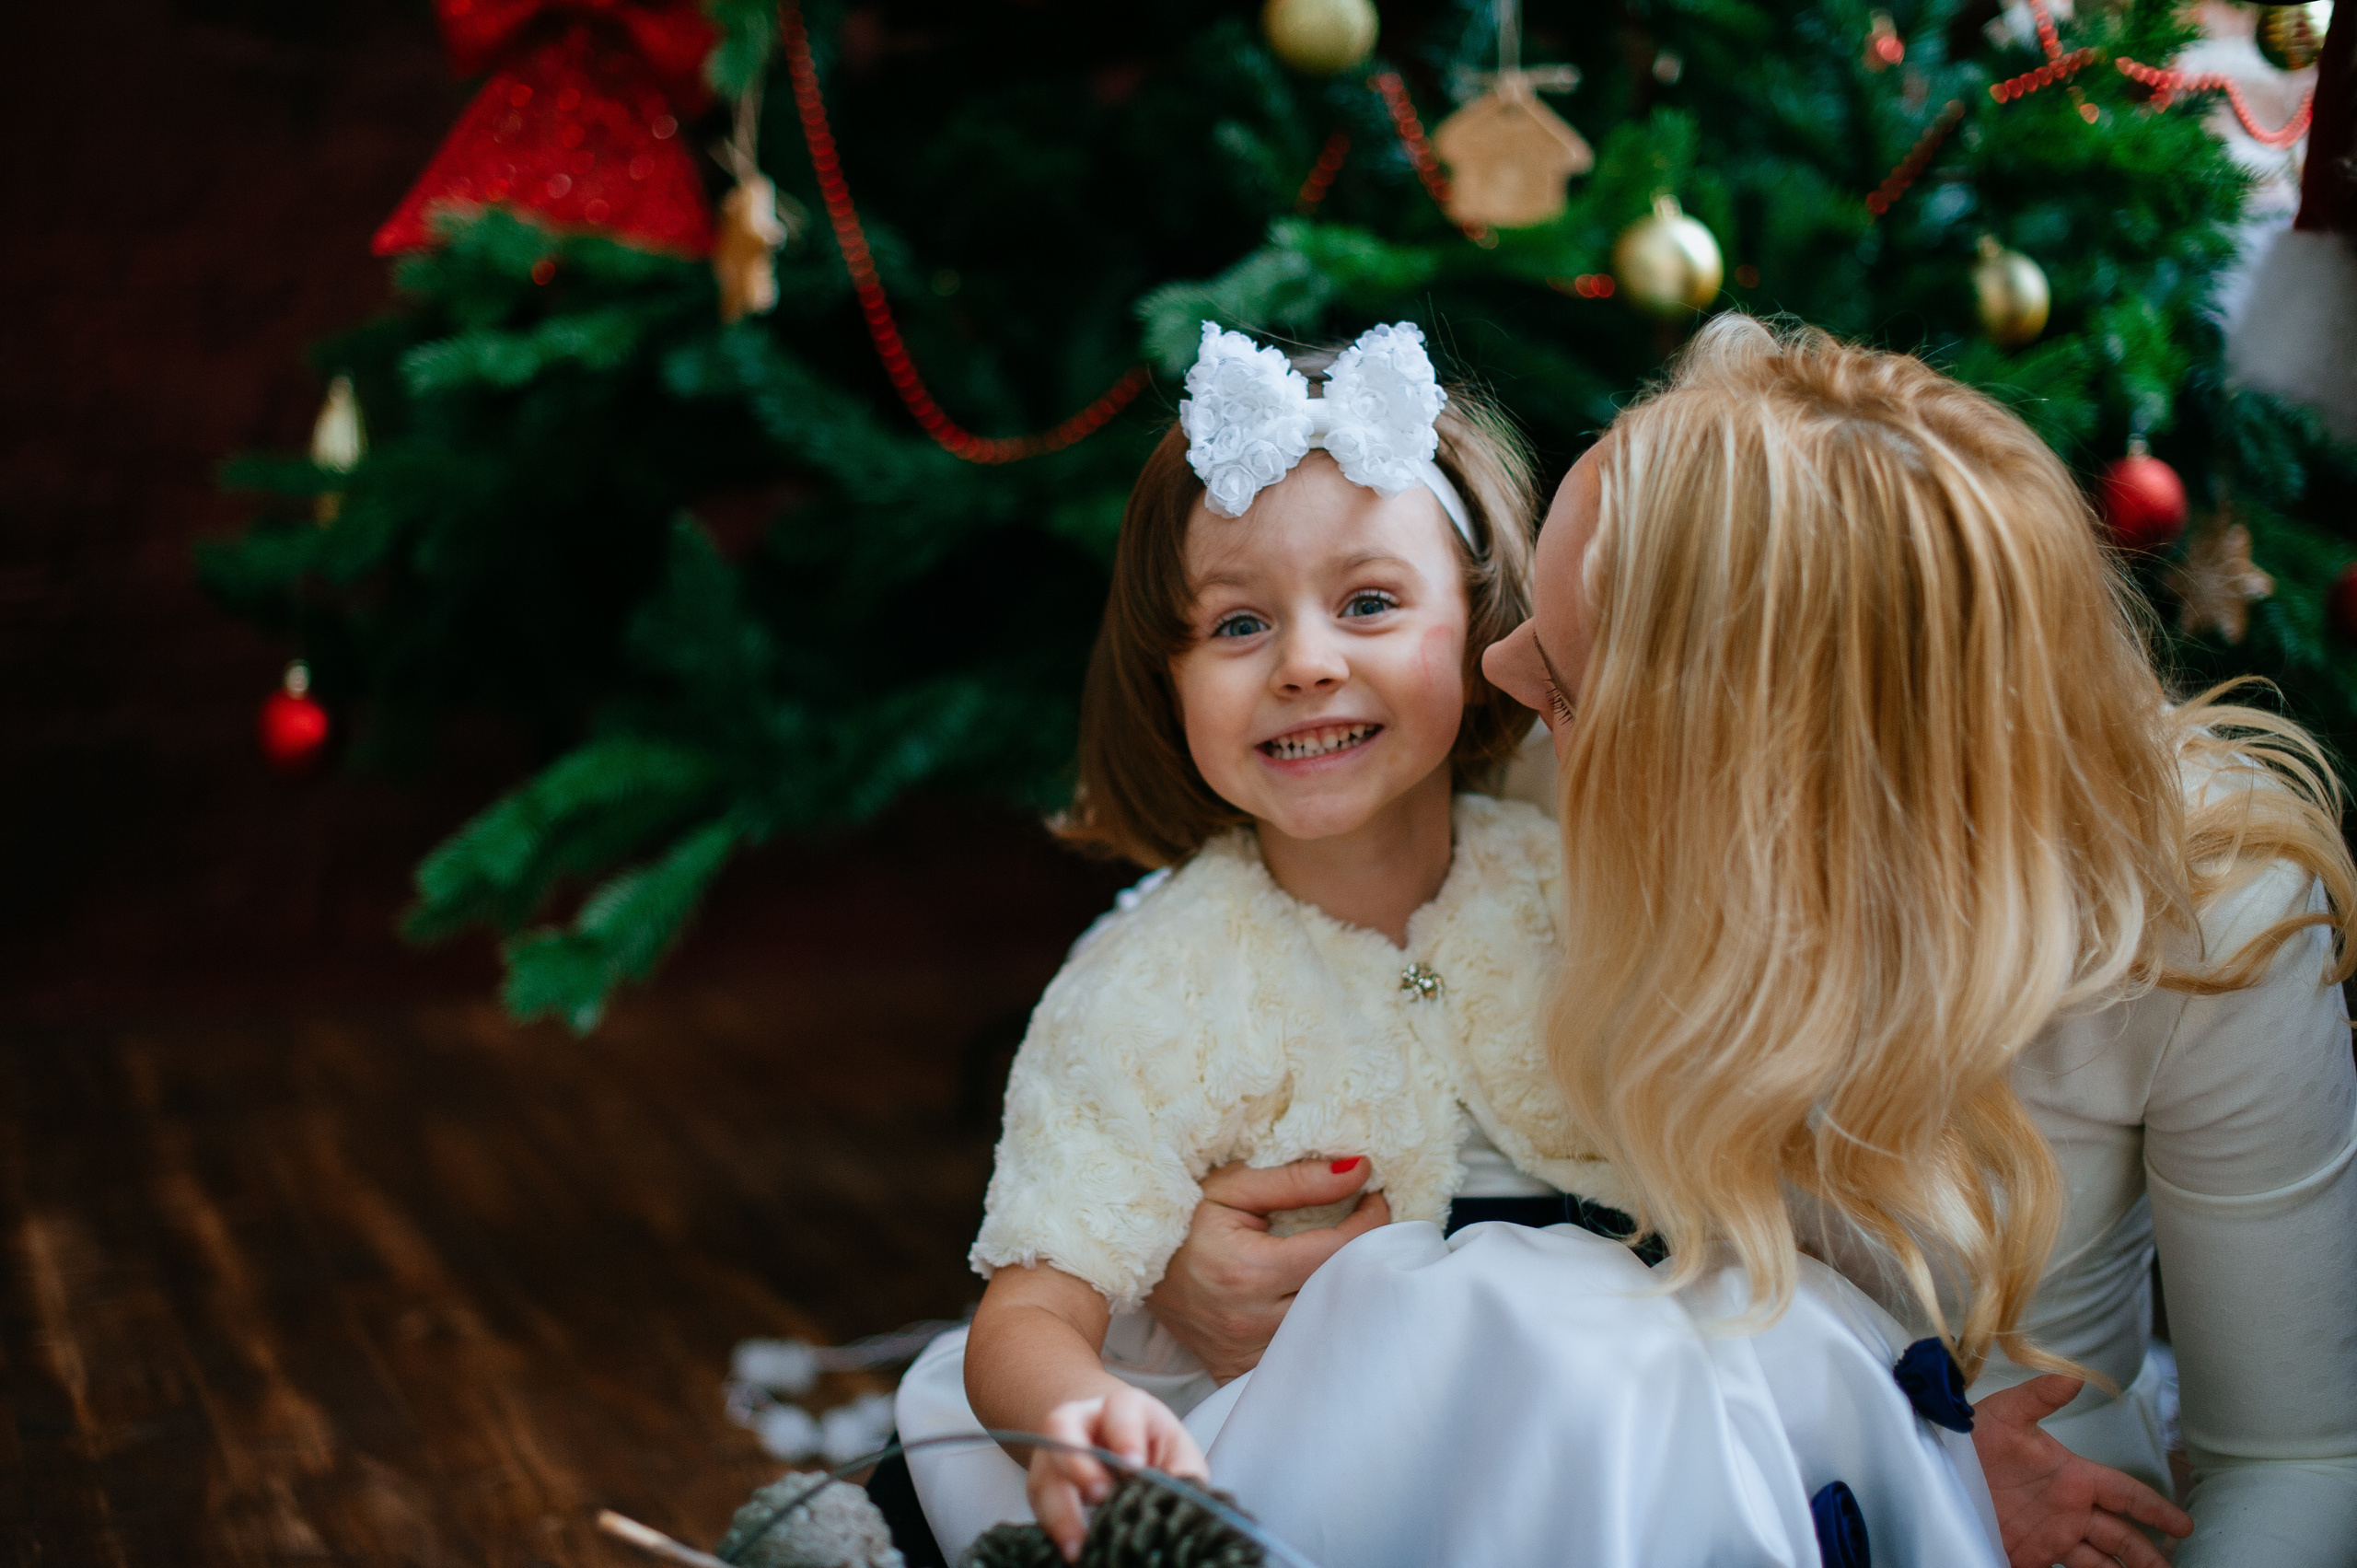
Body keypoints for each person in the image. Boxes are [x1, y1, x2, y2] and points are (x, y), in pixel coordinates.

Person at [894, 319, 2165, 1568]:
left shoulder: (1599, 875)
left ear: (1488, 628)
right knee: (1500, 1320)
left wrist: (1917, 1454)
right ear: (1163, 680)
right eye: (1238, 627)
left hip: (1671, 1396)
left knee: (1637, 1354)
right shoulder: (1153, 982)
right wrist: (1076, 1413)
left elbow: (1807, 1179)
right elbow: (1031, 1306)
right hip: (1348, 1447)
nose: (1306, 663)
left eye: (1372, 602)